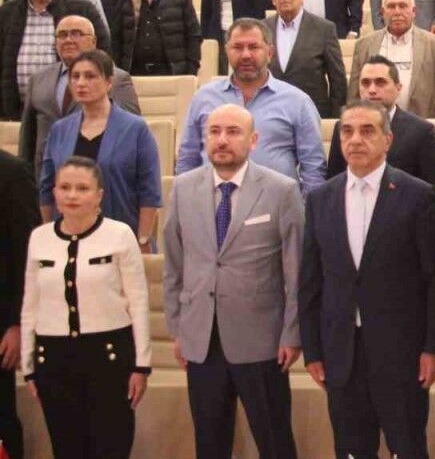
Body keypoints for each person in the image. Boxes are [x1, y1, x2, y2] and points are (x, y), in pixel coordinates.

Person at [299, 100, 435, 459]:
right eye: (347, 131)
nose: (355, 140)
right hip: (341, 353)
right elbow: (310, 282)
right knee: (351, 450)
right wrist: (313, 350)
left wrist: (433, 347)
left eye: (367, 131)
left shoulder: (417, 195)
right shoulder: (320, 199)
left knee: (407, 448)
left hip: (402, 353)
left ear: (387, 140)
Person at [163, 104, 302, 459]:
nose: (222, 140)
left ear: (253, 140)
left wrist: (292, 333)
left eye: (233, 132)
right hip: (201, 341)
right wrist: (178, 328)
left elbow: (296, 272)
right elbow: (174, 267)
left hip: (262, 341)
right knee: (210, 445)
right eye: (214, 131)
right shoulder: (182, 189)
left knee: (275, 443)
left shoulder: (282, 191)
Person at [21, 156, 151, 459]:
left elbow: (138, 302)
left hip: (108, 356)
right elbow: (30, 306)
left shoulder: (120, 234)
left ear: (99, 195)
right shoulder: (39, 238)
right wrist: (29, 367)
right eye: (64, 187)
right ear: (54, 192)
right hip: (53, 359)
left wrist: (141, 365)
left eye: (82, 188)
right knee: (66, 447)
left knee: (111, 445)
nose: (72, 195)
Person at [177, 18, 327, 192]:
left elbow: (314, 168)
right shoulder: (204, 98)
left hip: (276, 204)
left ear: (270, 53)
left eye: (254, 47)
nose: (246, 55)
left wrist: (305, 208)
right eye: (238, 47)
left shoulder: (297, 102)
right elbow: (187, 160)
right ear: (227, 52)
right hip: (212, 203)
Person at [39, 50, 161, 243]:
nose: (81, 83)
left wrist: (143, 239)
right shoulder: (59, 130)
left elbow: (149, 191)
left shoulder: (136, 128)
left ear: (109, 82)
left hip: (121, 237)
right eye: (75, 76)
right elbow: (46, 188)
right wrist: (49, 234)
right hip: (67, 237)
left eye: (90, 76)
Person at [19, 15, 140, 171]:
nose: (68, 40)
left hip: (96, 173)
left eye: (76, 34)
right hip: (46, 174)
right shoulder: (38, 79)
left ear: (93, 42)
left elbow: (131, 133)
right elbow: (28, 137)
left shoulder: (116, 79)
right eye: (62, 35)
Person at [325, 57, 435, 210]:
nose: (372, 90)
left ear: (398, 88)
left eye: (380, 82)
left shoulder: (422, 132)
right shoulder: (343, 127)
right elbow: (334, 184)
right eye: (365, 83)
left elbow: (434, 199)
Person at [0, 0, 109, 119]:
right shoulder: (7, 12)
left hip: (71, 111)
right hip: (15, 112)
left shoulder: (83, 9)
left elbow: (103, 53)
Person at [348, 0, 435, 119]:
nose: (397, 12)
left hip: (421, 123)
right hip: (374, 124)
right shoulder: (364, 45)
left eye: (403, 6)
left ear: (414, 11)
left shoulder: (434, 44)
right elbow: (354, 94)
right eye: (391, 6)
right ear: (382, 12)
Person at [265, 0, 347, 118]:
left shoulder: (324, 29)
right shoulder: (262, 29)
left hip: (313, 114)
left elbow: (338, 80)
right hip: (271, 113)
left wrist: (334, 119)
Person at [0, 147, 37, 459]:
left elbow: (27, 255)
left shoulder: (12, 172)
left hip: (2, 326)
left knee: (2, 419)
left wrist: (17, 323)